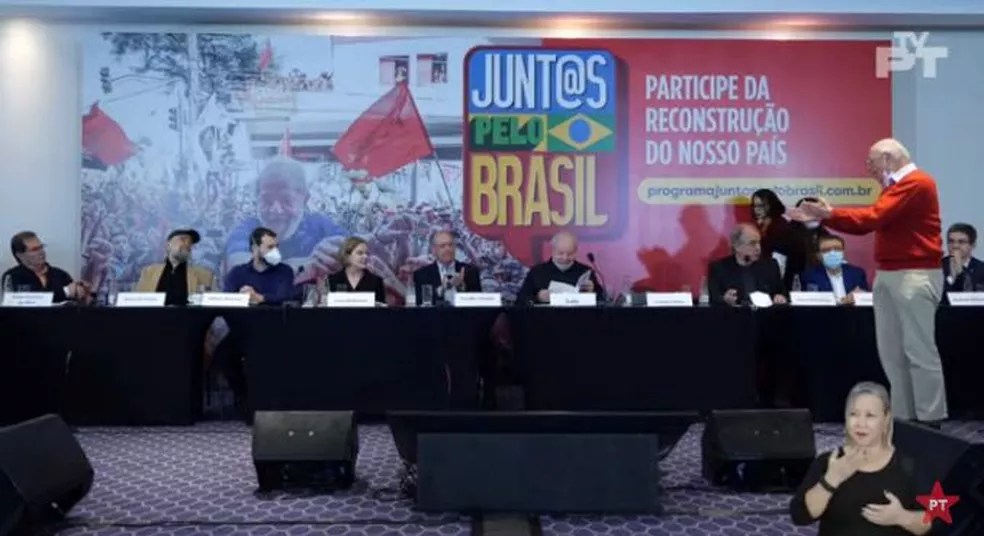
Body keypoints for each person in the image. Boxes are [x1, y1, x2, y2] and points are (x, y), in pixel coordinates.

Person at [795, 138, 946, 427]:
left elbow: (871, 219)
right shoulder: (896, 188)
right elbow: (871, 219)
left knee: (919, 351)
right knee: (892, 353)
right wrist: (828, 215)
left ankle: (930, 417)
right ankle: (905, 417)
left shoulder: (916, 183)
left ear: (888, 158)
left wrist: (829, 214)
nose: (869, 168)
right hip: (890, 274)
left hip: (913, 274)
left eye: (872, 162)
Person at [790, 382, 931, 535]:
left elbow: (934, 522)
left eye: (870, 416)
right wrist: (831, 479)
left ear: (886, 419)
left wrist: (902, 517)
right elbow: (800, 515)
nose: (861, 423)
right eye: (854, 414)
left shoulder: (909, 465)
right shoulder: (829, 462)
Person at [224, 158, 348, 284]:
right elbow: (239, 273)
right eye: (267, 200)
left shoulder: (321, 227)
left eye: (287, 200)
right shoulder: (246, 231)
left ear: (305, 200)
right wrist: (308, 267)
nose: (275, 210)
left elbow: (352, 250)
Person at [707, 223, 788, 307]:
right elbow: (714, 299)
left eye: (759, 242)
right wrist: (725, 300)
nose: (758, 248)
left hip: (765, 314)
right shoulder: (719, 268)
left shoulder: (770, 266)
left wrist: (780, 298)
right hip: (735, 314)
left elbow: (782, 292)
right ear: (737, 246)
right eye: (752, 243)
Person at [515, 231, 605, 305]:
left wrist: (592, 291)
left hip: (578, 318)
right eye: (560, 253)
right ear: (553, 251)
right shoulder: (537, 272)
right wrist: (538, 297)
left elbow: (603, 301)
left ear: (575, 252)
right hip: (545, 319)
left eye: (570, 253)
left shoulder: (585, 271)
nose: (565, 257)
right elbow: (520, 302)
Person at [4, 231, 91, 303]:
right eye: (35, 249)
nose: (41, 252)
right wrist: (65, 292)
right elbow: (31, 300)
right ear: (20, 255)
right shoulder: (12, 277)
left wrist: (82, 293)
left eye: (41, 247)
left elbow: (73, 304)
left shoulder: (61, 275)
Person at [135, 229, 215, 305]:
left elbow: (212, 307)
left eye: (190, 242)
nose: (187, 244)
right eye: (183, 239)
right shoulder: (148, 273)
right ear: (168, 245)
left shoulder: (205, 275)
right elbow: (137, 305)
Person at [224, 227, 297, 306]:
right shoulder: (237, 273)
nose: (275, 251)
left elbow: (284, 297)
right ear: (255, 249)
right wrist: (241, 297)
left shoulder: (284, 271)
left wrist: (259, 298)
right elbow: (226, 300)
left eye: (276, 247)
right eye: (270, 247)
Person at [750, 189, 805, 291]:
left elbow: (780, 262)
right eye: (754, 206)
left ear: (772, 205)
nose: (756, 210)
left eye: (761, 206)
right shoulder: (764, 226)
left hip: (781, 282)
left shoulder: (780, 227)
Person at [412, 230, 481, 305]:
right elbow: (422, 304)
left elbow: (478, 303)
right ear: (433, 250)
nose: (448, 249)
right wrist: (442, 289)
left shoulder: (470, 271)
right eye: (443, 246)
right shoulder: (422, 274)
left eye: (450, 245)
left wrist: (461, 287)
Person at [800, 234, 870, 305]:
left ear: (843, 252)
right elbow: (808, 301)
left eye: (837, 249)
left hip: (852, 310)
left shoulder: (857, 273)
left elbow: (867, 298)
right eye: (826, 250)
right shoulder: (809, 276)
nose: (832, 253)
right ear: (818, 256)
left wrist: (860, 296)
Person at [326, 236, 386, 304]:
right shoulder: (332, 280)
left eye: (367, 253)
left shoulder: (376, 282)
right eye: (360, 253)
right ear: (347, 255)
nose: (365, 257)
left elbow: (381, 308)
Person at [942, 222, 983, 296]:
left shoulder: (981, 269)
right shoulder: (937, 267)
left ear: (973, 245)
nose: (955, 246)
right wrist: (953, 276)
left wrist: (960, 272)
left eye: (961, 242)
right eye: (951, 241)